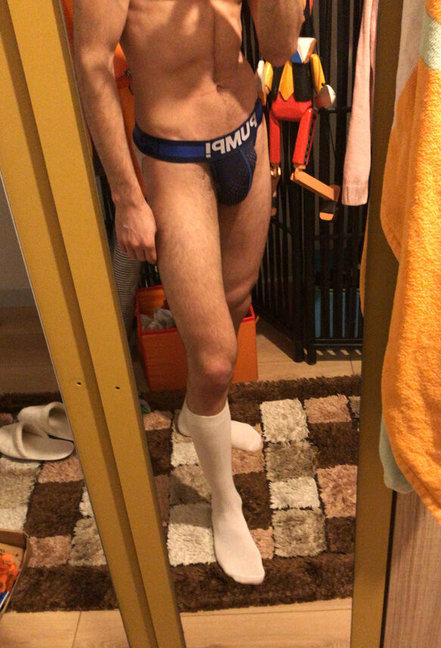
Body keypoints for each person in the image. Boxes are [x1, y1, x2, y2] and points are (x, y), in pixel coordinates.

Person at [73, 0, 305, 585]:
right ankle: (225, 503)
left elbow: (279, 48)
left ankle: (194, 416)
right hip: (175, 159)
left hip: (248, 132)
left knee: (235, 305)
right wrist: (127, 197)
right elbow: (92, 61)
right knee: (215, 356)